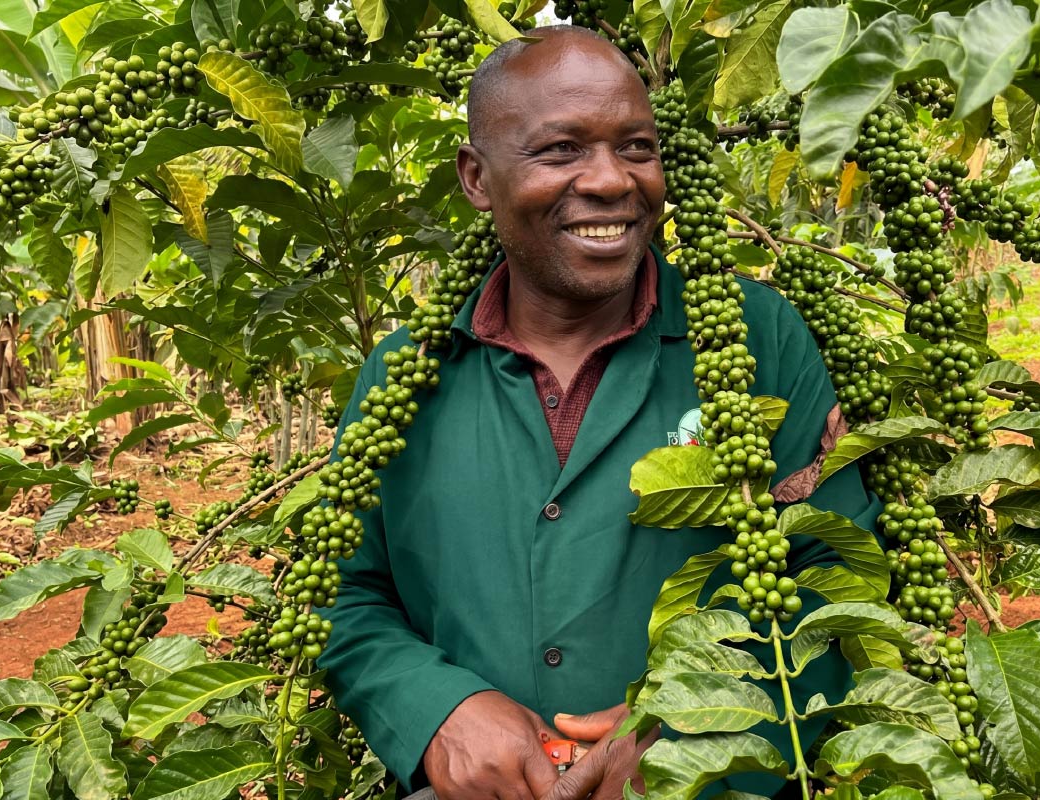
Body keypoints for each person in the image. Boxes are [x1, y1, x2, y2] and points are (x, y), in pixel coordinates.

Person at [319, 24, 881, 800]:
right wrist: (436, 711)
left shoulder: (756, 340)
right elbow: (344, 595)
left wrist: (700, 726)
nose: (613, 180)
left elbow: (836, 572)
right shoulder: (403, 378)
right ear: (477, 178)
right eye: (561, 150)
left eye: (637, 148)